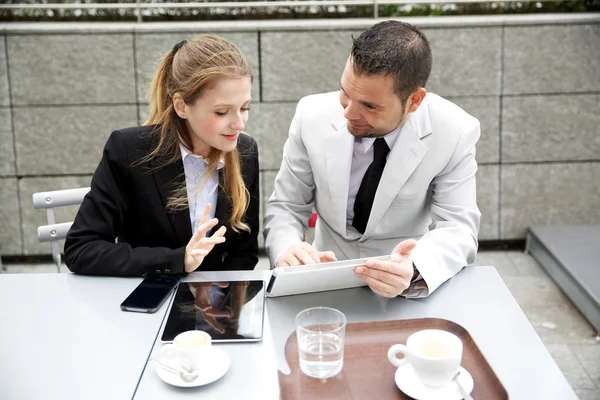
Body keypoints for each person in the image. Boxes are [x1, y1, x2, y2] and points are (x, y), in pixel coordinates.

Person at [263, 20, 481, 298]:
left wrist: (415, 268)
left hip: (401, 288)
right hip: (321, 280)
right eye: (345, 92)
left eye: (369, 105)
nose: (348, 113)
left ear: (414, 100)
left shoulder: (455, 131)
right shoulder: (310, 115)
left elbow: (458, 228)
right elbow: (286, 206)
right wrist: (286, 250)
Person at [65, 34, 260, 276]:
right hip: (143, 303)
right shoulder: (129, 150)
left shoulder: (245, 152)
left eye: (244, 108)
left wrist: (219, 300)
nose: (239, 124)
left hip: (215, 309)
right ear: (181, 106)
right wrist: (179, 260)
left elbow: (244, 254)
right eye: (222, 112)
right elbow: (81, 249)